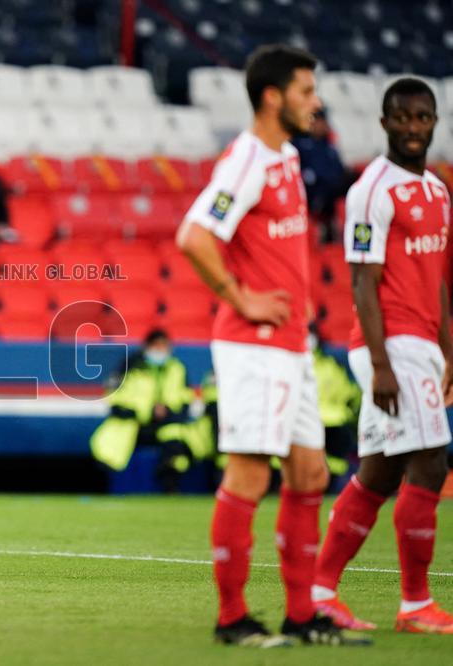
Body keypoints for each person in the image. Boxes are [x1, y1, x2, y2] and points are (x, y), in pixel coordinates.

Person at [177, 45, 367, 646]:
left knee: (309, 474)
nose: (317, 102)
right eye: (306, 91)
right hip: (254, 345)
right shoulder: (249, 159)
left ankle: (300, 615)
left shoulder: (286, 157)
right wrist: (242, 297)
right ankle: (232, 619)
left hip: (291, 346)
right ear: (272, 96)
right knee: (250, 476)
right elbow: (194, 235)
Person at [313, 78, 453, 634]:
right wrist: (380, 364)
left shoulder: (440, 193)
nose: (413, 128)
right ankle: (416, 604)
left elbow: (440, 281)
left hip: (423, 346)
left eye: (422, 118)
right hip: (389, 343)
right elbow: (363, 281)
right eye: (402, 118)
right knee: (433, 460)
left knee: (378, 473)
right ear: (384, 122)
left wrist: (449, 350)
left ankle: (320, 592)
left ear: (435, 121)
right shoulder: (373, 190)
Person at [91, 329, 198, 492]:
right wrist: (148, 411)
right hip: (134, 422)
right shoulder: (131, 366)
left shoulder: (177, 368)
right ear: (147, 346)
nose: (160, 351)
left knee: (177, 440)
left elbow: (185, 400)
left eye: (164, 346)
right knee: (110, 446)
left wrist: (167, 411)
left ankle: (170, 486)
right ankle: (110, 489)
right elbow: (115, 402)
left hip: (167, 423)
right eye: (157, 346)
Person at [291, 109, 353, 242]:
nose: (322, 125)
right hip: (313, 191)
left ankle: (346, 230)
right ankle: (327, 228)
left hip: (333, 187)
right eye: (318, 121)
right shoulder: (299, 144)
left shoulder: (328, 146)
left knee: (355, 183)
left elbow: (339, 168)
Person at [308, 328, 360, 480]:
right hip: (316, 419)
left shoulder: (334, 361)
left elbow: (352, 391)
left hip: (335, 420)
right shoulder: (295, 361)